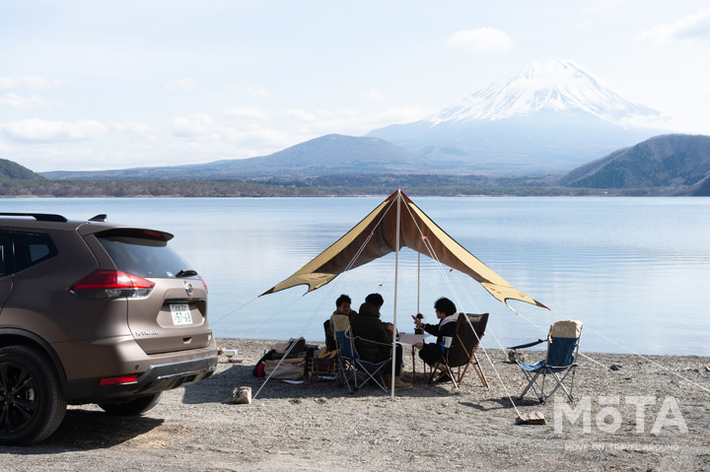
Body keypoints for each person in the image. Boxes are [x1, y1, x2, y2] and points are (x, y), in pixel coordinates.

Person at [350, 293, 412, 390]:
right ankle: (394, 381)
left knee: (386, 348)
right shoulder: (374, 321)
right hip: (370, 357)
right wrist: (389, 331)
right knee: (396, 348)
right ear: (378, 306)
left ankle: (381, 378)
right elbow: (386, 341)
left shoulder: (355, 318)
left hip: (355, 356)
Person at [412, 297, 459, 375]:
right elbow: (438, 331)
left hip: (450, 356)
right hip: (463, 356)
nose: (435, 311)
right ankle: (446, 371)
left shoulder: (449, 327)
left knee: (424, 353)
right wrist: (422, 325)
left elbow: (444, 348)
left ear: (443, 312)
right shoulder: (454, 321)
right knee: (426, 350)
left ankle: (446, 372)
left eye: (437, 310)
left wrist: (424, 346)